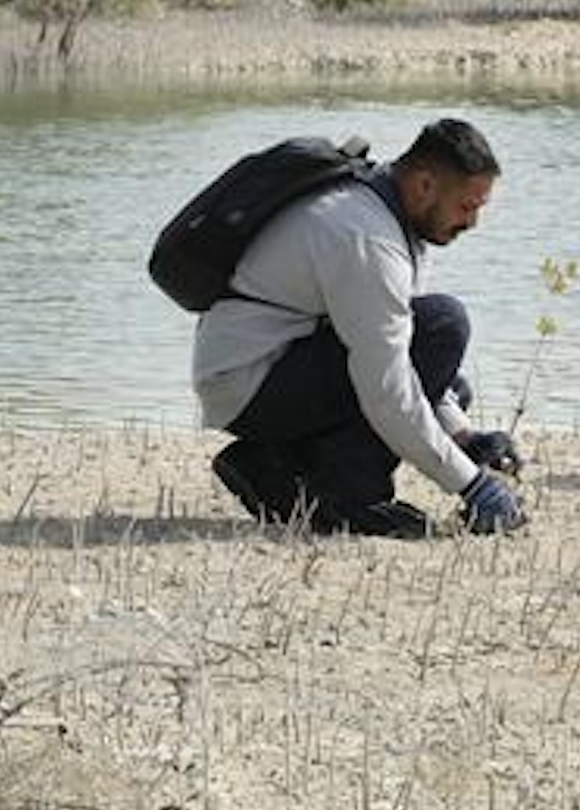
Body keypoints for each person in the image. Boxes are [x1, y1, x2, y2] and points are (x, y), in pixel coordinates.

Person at [198, 118, 526, 538]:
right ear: (425, 185)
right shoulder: (366, 238)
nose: (472, 223)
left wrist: (463, 436)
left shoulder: (383, 210)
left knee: (450, 383)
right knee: (443, 326)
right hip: (251, 384)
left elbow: (402, 354)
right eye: (467, 206)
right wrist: (473, 485)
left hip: (257, 373)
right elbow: (387, 390)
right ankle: (348, 498)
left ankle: (271, 465)